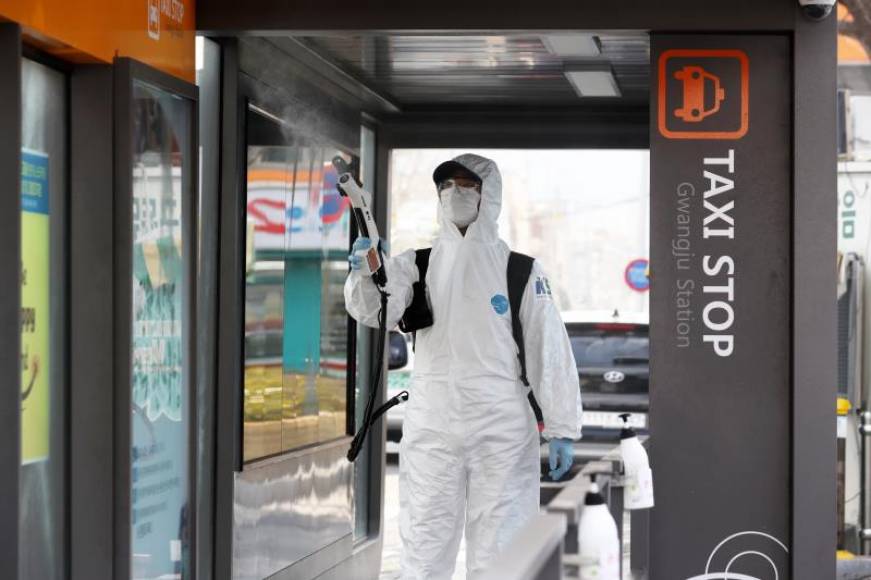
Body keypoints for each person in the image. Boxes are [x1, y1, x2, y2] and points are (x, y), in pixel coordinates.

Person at [345, 153, 582, 579]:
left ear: (487, 195)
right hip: (434, 423)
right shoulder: (416, 264)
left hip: (502, 428)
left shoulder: (520, 271)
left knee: (503, 550)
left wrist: (562, 426)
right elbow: (375, 309)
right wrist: (366, 273)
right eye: (446, 186)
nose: (455, 193)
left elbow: (550, 349)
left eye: (466, 185)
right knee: (424, 544)